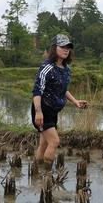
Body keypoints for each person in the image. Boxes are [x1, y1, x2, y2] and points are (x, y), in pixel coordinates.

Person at [31, 34, 87, 166]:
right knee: (54, 141)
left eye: (68, 47)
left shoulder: (66, 69)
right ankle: (47, 174)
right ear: (54, 48)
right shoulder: (47, 67)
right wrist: (38, 112)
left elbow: (63, 90)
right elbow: (37, 91)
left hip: (53, 112)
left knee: (44, 144)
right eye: (62, 46)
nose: (66, 49)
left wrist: (75, 102)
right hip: (43, 110)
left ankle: (36, 172)